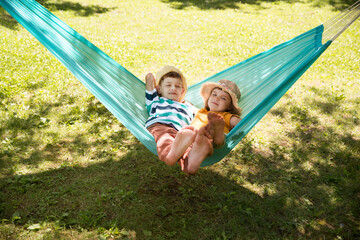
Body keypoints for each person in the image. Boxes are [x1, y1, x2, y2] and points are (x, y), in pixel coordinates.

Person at [145, 65, 214, 174]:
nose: (173, 88)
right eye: (168, 85)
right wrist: (153, 77)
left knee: (186, 148)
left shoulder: (188, 105)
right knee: (165, 141)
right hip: (160, 125)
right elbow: (149, 78)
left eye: (177, 86)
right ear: (159, 89)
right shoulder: (155, 100)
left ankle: (190, 166)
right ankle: (169, 157)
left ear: (182, 91)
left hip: (181, 133)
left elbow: (204, 115)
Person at [191, 79, 242, 148]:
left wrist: (237, 127)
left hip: (210, 142)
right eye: (214, 94)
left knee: (212, 129)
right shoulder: (201, 111)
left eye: (223, 98)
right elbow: (190, 107)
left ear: (229, 106)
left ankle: (215, 135)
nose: (216, 99)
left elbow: (238, 122)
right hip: (192, 141)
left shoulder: (224, 116)